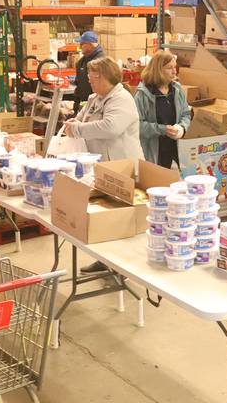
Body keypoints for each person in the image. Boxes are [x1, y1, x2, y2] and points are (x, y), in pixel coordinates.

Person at [64, 57, 143, 274]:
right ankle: (106, 261)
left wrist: (79, 129)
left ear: (105, 77)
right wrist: (73, 124)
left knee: (121, 218)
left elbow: (111, 127)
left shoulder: (121, 99)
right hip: (100, 166)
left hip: (121, 167)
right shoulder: (94, 98)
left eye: (92, 77)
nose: (89, 80)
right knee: (105, 218)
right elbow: (81, 118)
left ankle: (124, 266)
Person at [135, 50, 192, 168]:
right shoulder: (143, 95)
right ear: (158, 70)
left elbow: (186, 113)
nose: (174, 71)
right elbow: (137, 125)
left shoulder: (177, 90)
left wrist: (182, 127)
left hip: (176, 151)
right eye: (169, 68)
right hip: (153, 153)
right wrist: (162, 129)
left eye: (175, 67)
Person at [72, 31, 104, 114]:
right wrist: (76, 102)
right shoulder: (81, 62)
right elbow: (78, 84)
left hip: (97, 108)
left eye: (82, 44)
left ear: (90, 44)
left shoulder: (102, 61)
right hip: (84, 106)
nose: (80, 46)